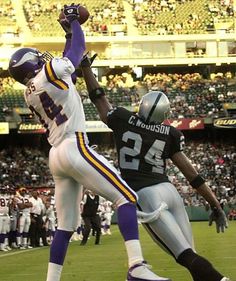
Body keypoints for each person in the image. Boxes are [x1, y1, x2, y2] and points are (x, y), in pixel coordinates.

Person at [8, 4, 171, 281]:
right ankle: (136, 267)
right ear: (32, 64)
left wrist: (69, 36)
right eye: (37, 58)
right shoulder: (47, 73)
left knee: (65, 226)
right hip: (74, 145)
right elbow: (73, 56)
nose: (43, 59)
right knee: (127, 197)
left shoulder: (30, 91)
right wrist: (74, 25)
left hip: (56, 155)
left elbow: (69, 71)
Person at [81, 59, 230, 281]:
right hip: (169, 191)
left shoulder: (123, 119)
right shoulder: (170, 133)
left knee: (186, 256)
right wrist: (215, 204)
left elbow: (98, 97)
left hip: (146, 194)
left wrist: (86, 69)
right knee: (193, 257)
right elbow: (193, 176)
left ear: (141, 105)